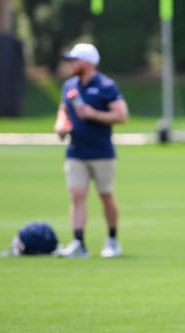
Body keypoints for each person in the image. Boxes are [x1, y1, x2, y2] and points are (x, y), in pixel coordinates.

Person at [54, 43, 129, 258]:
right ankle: (79, 243)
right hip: (76, 150)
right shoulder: (70, 86)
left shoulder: (106, 86)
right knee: (77, 195)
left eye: (74, 60)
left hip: (101, 151)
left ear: (87, 62)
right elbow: (64, 111)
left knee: (105, 195)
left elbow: (122, 116)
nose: (70, 64)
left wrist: (94, 114)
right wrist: (61, 125)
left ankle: (112, 240)